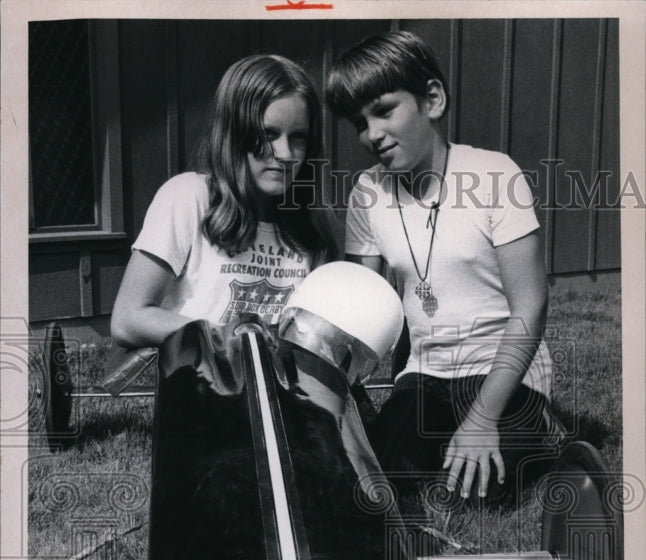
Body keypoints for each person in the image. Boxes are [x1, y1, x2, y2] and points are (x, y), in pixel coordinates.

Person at [326, 30, 563, 502]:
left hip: (502, 371)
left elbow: (530, 306)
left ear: (432, 99)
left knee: (482, 490)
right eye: (359, 122)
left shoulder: (495, 175)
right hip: (425, 376)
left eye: (384, 110)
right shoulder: (368, 193)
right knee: (381, 480)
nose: (371, 134)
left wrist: (481, 419)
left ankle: (544, 429)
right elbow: (364, 309)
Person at [111, 53, 337, 349]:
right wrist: (226, 337)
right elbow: (128, 318)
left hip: (283, 392)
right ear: (235, 133)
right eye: (268, 134)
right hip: (203, 386)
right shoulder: (189, 197)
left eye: (298, 137)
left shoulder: (314, 222)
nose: (285, 154)